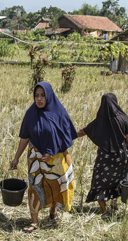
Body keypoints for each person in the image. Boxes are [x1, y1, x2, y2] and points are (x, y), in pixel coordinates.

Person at [10, 81, 77, 232]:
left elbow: (65, 136)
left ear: (49, 96)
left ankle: (53, 212)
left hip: (56, 157)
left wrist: (52, 152)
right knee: (35, 187)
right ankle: (34, 221)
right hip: (36, 158)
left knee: (56, 185)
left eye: (42, 96)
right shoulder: (31, 114)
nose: (39, 99)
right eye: (36, 96)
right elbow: (24, 137)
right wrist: (16, 157)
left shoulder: (59, 112)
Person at [77, 93, 128, 218]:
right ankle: (114, 201)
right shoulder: (123, 118)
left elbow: (83, 131)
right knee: (119, 180)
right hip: (121, 157)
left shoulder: (99, 121)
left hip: (105, 158)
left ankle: (104, 211)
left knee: (99, 182)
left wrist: (66, 137)